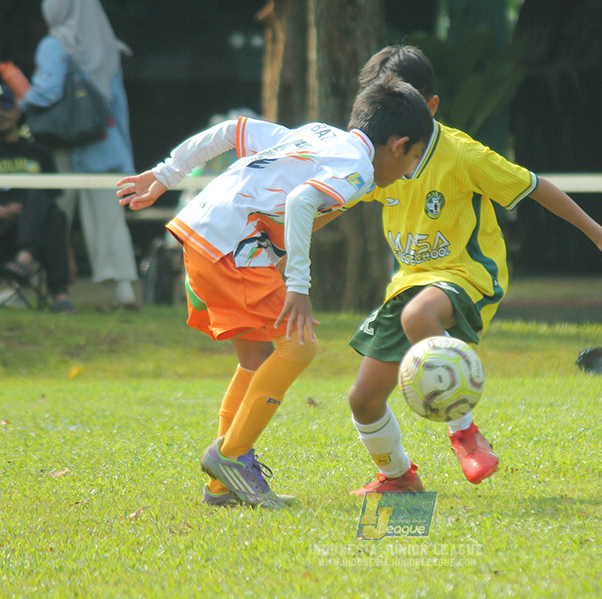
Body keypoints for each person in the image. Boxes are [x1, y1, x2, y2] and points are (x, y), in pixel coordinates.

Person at [116, 75, 434, 509]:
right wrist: (298, 288)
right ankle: (229, 459)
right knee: (299, 348)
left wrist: (166, 172)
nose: (409, 171)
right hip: (232, 245)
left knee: (255, 359)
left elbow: (231, 132)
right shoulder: (358, 170)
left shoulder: (318, 133)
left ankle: (223, 485)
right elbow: (303, 201)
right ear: (397, 145)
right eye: (413, 158)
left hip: (201, 231)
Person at [346, 45, 602, 495]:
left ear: (428, 108)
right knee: (363, 401)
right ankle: (398, 477)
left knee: (417, 316)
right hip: (409, 282)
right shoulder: (376, 154)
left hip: (467, 274)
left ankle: (464, 432)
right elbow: (330, 200)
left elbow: (534, 186)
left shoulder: (462, 155)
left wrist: (598, 233)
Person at [19, 0, 139, 310]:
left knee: (53, 216)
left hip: (66, 147)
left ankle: (38, 290)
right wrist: (126, 161)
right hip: (105, 146)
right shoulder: (110, 48)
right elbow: (119, 110)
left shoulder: (55, 45)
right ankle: (124, 292)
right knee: (109, 220)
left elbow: (47, 91)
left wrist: (20, 101)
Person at [0, 84, 75, 313]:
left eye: (6, 105)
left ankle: (25, 259)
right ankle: (60, 295)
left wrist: (68, 254)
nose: (0, 113)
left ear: (18, 111)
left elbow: (53, 203)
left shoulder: (39, 153)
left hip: (37, 228)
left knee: (51, 210)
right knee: (44, 202)